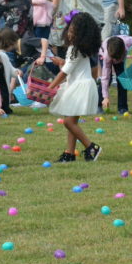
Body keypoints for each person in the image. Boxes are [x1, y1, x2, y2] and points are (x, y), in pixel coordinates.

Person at [47, 12, 103, 162]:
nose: (70, 33)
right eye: (70, 30)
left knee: (68, 122)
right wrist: (60, 62)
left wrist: (50, 87)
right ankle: (69, 153)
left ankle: (91, 147)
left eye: (73, 31)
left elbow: (65, 72)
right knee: (70, 121)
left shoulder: (74, 49)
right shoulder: (80, 48)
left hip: (80, 87)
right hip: (78, 85)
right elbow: (70, 68)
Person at [99, 34, 132, 114]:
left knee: (122, 80)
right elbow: (105, 78)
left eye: (117, 58)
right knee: (108, 79)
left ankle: (122, 108)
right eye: (114, 58)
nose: (115, 60)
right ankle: (99, 104)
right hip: (104, 55)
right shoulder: (107, 56)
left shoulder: (127, 41)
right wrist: (106, 97)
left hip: (120, 57)